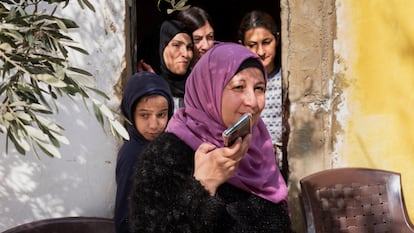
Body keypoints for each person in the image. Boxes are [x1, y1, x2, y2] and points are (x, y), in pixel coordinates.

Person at [129, 42, 292, 232]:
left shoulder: (258, 147)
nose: (253, 102)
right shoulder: (166, 155)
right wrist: (203, 185)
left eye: (259, 88)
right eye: (239, 87)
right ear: (208, 92)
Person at [114, 71, 174, 233]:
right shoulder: (132, 155)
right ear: (130, 113)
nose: (154, 125)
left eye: (161, 114)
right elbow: (125, 215)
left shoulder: (163, 146)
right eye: (145, 115)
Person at [237, 10, 283, 168]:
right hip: (247, 164)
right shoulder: (235, 83)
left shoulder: (286, 79)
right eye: (252, 45)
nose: (261, 52)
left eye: (266, 42)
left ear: (277, 38)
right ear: (241, 45)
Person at [137, 19, 193, 110]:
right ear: (159, 49)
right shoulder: (139, 91)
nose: (186, 54)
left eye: (189, 47)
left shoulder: (198, 89)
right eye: (176, 45)